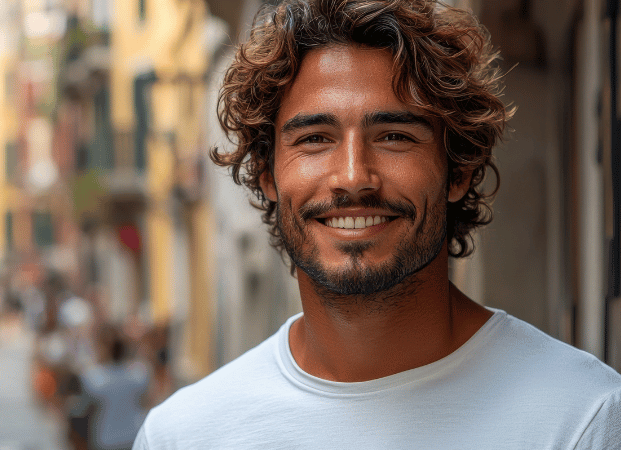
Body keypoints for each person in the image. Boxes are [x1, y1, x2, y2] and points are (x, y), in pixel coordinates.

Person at [133, 1, 621, 448]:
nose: (353, 177)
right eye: (315, 139)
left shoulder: (582, 418)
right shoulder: (183, 436)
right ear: (268, 175)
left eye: (393, 136)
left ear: (459, 170)